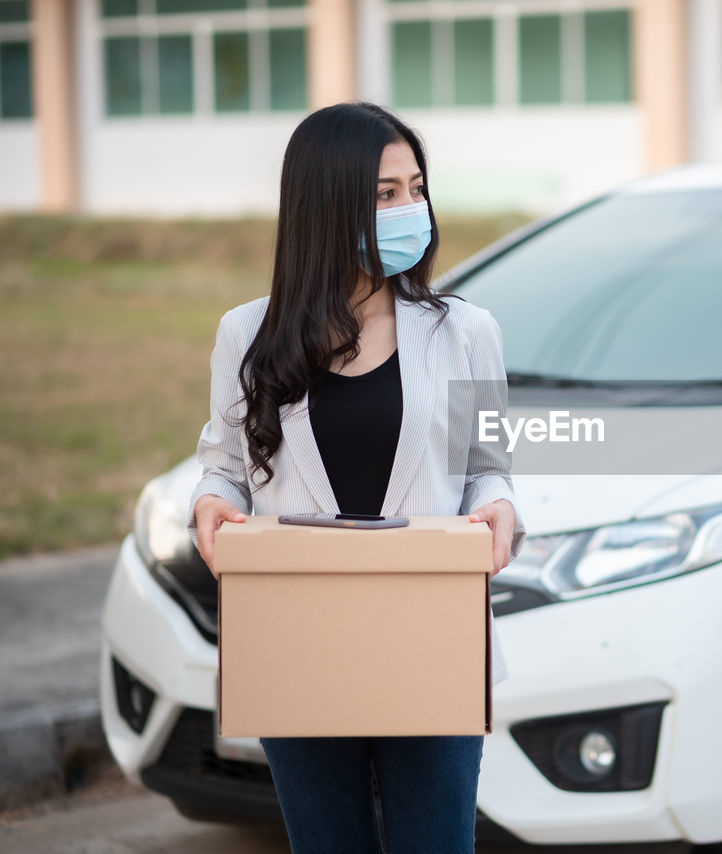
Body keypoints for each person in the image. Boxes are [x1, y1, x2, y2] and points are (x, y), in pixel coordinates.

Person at [185, 101, 526, 853]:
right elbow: (225, 466)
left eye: (416, 188)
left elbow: (489, 470)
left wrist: (498, 511)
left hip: (431, 638)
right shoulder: (249, 335)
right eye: (384, 194)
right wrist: (212, 502)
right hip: (297, 639)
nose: (411, 209)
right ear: (325, 203)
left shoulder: (466, 332)